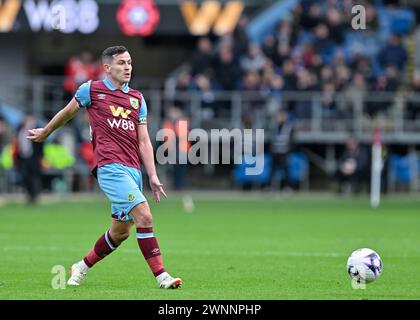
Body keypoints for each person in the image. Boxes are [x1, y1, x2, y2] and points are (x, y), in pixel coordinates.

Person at [27, 46, 182, 289]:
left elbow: (143, 141)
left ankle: (81, 266)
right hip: (109, 168)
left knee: (120, 233)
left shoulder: (137, 99)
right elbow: (67, 114)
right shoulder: (91, 89)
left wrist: (152, 174)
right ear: (107, 68)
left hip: (132, 170)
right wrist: (46, 131)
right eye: (121, 63)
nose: (128, 67)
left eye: (129, 62)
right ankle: (162, 276)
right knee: (144, 215)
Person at [15, 114, 44, 204]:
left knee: (34, 177)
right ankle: (29, 195)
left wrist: (40, 157)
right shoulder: (20, 128)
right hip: (23, 157)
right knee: (25, 177)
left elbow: (41, 144)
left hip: (33, 157)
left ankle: (35, 196)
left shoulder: (36, 129)